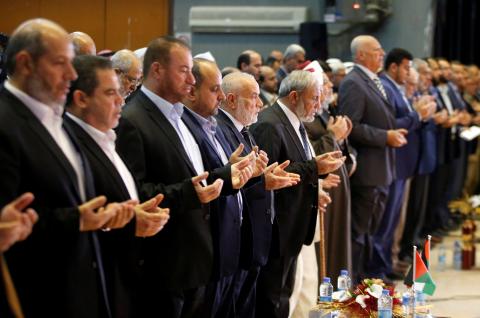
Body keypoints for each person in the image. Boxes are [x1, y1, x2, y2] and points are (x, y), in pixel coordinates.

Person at [0, 18, 133, 317]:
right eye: (61, 63)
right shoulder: (6, 123)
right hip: (38, 294)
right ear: (25, 63)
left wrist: (101, 217)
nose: (72, 75)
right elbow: (10, 225)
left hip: (83, 287)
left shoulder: (55, 118)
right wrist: (76, 220)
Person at [115, 36, 250, 317]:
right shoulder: (133, 120)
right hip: (163, 265)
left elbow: (192, 175)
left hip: (194, 261)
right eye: (184, 70)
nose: (191, 79)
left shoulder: (178, 115)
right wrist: (189, 193)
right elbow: (135, 193)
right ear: (157, 70)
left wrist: (226, 174)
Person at [64, 55, 171, 317]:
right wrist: (131, 221)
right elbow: (84, 215)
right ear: (81, 99)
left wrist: (136, 212)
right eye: (110, 93)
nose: (121, 100)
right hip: (96, 282)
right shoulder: (71, 144)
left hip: (125, 275)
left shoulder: (105, 136)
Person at [251, 70, 345, 317]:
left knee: (285, 294)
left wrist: (317, 179)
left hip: (294, 225)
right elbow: (271, 174)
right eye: (314, 98)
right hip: (277, 228)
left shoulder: (295, 121)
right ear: (294, 96)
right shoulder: (269, 123)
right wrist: (316, 167)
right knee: (272, 298)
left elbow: (297, 166)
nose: (318, 104)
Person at [217, 71, 301, 317]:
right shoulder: (222, 129)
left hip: (253, 239)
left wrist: (264, 179)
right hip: (238, 240)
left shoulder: (243, 128)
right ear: (232, 100)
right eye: (254, 97)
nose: (261, 103)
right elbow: (228, 182)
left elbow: (248, 178)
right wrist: (260, 181)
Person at [182, 57, 255, 316]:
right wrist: (228, 171)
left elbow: (217, 173)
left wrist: (235, 167)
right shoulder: (187, 125)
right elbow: (198, 178)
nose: (221, 96)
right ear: (191, 91)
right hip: (204, 247)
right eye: (215, 89)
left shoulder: (209, 124)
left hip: (226, 242)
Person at [337, 35, 407, 283]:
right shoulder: (353, 83)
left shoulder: (373, 80)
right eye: (376, 50)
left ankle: (367, 278)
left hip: (382, 168)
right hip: (367, 170)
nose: (382, 54)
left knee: (371, 231)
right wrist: (384, 136)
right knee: (359, 231)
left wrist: (390, 133)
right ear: (360, 56)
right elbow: (350, 126)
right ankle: (355, 282)